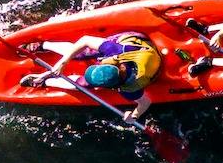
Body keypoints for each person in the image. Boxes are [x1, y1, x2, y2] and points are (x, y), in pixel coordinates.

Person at [21, 31, 163, 118]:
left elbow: (145, 102)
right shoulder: (116, 50)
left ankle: (45, 82)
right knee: (79, 53)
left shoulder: (130, 89)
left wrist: (134, 115)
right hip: (138, 46)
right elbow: (85, 40)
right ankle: (43, 45)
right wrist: (63, 62)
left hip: (143, 50)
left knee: (82, 84)